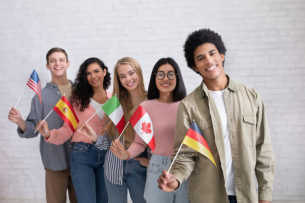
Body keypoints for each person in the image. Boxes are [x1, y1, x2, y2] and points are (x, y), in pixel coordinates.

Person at [157, 29, 275, 203]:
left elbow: (262, 149)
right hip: (207, 197)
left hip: (246, 195)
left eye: (212, 53)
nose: (209, 60)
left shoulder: (251, 97)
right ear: (194, 67)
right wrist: (176, 179)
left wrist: (265, 193)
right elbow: (185, 154)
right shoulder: (189, 106)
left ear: (222, 55)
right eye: (200, 58)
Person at [110, 57, 189, 203]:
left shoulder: (188, 106)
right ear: (154, 78)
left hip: (184, 167)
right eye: (160, 74)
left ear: (177, 77)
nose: (166, 78)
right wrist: (126, 154)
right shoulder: (146, 107)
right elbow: (140, 142)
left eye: (171, 74)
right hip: (158, 167)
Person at [36, 57, 111, 203]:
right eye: (88, 73)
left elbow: (117, 131)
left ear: (104, 72)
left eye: (96, 71)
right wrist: (49, 134)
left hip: (107, 156)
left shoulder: (113, 98)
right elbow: (67, 129)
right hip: (82, 155)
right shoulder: (78, 99)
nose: (93, 76)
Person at [8, 47, 77, 203]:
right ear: (47, 65)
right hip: (54, 160)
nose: (57, 63)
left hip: (81, 160)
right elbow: (32, 130)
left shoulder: (79, 92)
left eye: (61, 60)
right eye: (53, 60)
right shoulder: (41, 96)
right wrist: (19, 120)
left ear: (67, 63)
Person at [80, 57, 148, 203]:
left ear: (139, 73)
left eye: (131, 73)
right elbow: (107, 144)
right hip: (113, 167)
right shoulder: (114, 104)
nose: (128, 79)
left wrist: (150, 162)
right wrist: (94, 137)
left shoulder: (151, 101)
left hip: (139, 166)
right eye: (122, 76)